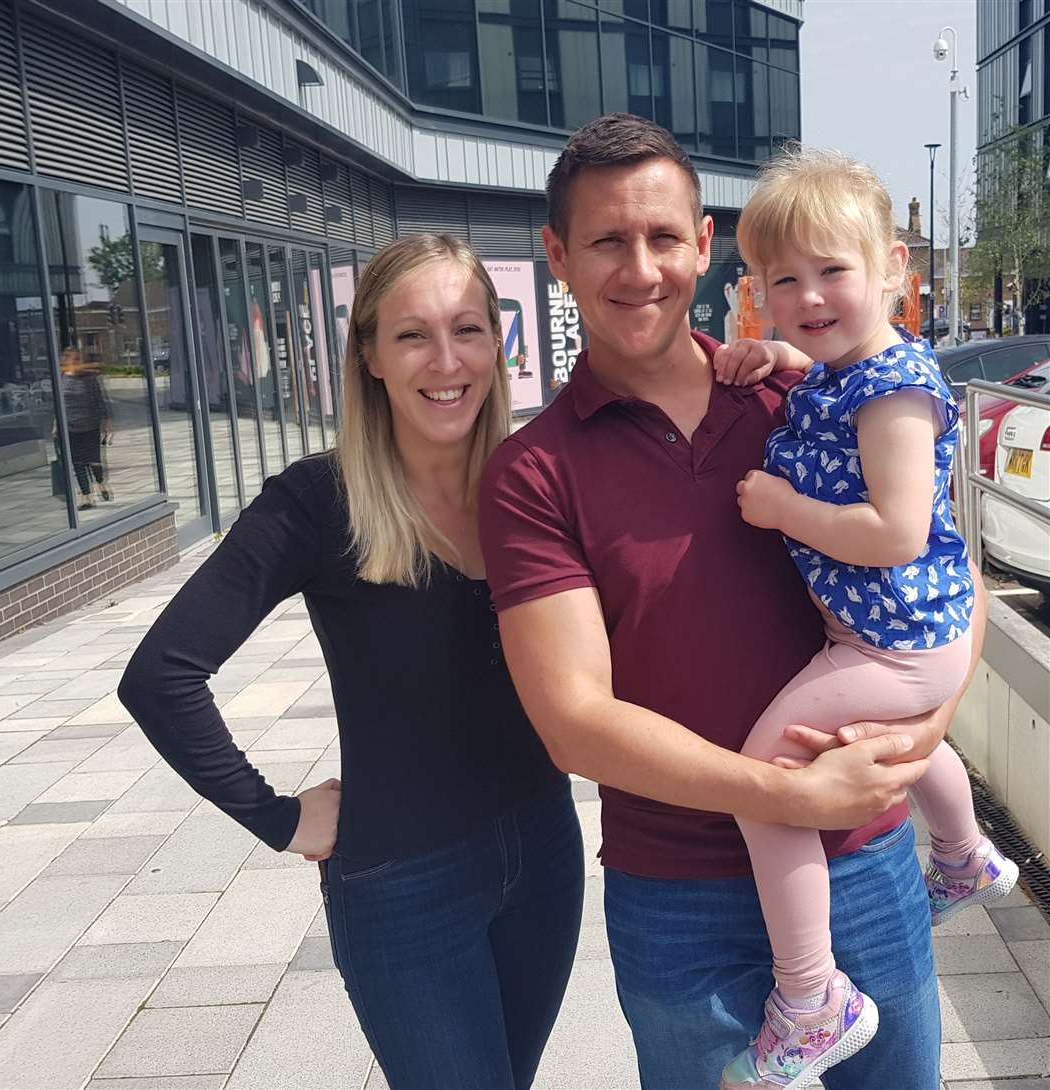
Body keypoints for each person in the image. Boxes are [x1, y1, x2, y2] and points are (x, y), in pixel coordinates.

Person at [479, 114, 987, 1089]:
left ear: (705, 246)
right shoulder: (532, 473)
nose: (641, 269)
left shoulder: (802, 401)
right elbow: (575, 724)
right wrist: (786, 792)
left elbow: (944, 570)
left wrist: (930, 728)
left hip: (865, 862)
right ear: (557, 255)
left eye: (665, 237)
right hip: (678, 899)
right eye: (606, 241)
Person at [119, 234, 584, 1090]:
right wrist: (277, 817)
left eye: (467, 329)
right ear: (368, 354)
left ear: (499, 344)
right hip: (405, 885)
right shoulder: (317, 501)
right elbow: (160, 675)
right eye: (411, 335)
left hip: (546, 854)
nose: (445, 360)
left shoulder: (534, 483)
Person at [711, 147, 1018, 1089]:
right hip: (899, 634)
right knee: (900, 743)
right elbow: (821, 365)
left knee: (764, 779)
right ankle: (964, 857)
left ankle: (811, 997)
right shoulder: (847, 370)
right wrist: (779, 357)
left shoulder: (894, 389)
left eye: (834, 270)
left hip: (894, 638)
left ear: (894, 269)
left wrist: (781, 510)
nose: (808, 295)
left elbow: (891, 529)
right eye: (781, 281)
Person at [59, 347, 112, 509]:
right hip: (70, 427)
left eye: (78, 359)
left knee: (94, 461)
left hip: (90, 425)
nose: (77, 363)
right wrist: (57, 425)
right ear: (66, 361)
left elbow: (99, 401)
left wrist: (106, 422)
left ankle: (101, 483)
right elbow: (58, 404)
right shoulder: (61, 379)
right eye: (73, 359)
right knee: (78, 463)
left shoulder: (89, 379)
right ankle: (86, 497)